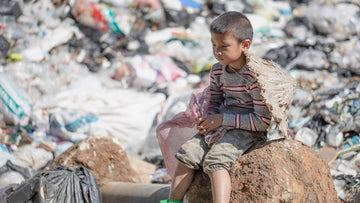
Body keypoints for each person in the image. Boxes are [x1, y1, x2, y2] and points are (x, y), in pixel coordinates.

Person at [160, 11, 272, 203]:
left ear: (245, 45)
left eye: (223, 46)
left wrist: (222, 120)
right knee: (187, 153)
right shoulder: (218, 70)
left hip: (247, 129)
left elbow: (262, 121)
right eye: (214, 45)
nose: (217, 52)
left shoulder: (254, 78)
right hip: (221, 124)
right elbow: (215, 98)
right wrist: (209, 118)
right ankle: (173, 200)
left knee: (216, 161)